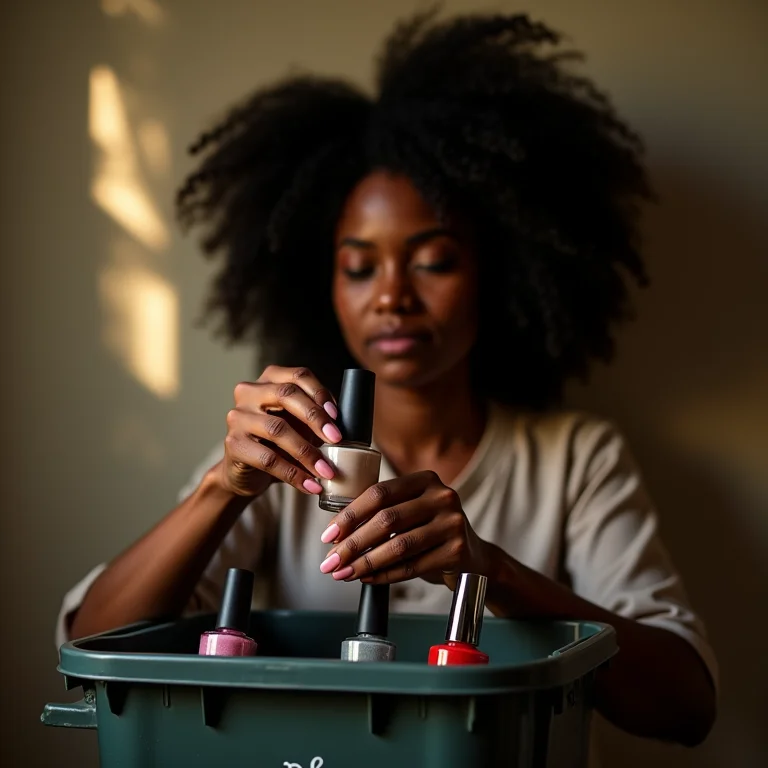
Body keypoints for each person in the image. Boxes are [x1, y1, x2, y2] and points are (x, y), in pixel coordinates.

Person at [57, 9, 717, 749]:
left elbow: (686, 706)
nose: (391, 295)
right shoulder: (285, 454)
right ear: (322, 286)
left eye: (433, 259)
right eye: (359, 265)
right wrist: (222, 488)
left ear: (499, 274)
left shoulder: (575, 459)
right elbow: (91, 650)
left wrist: (487, 568)